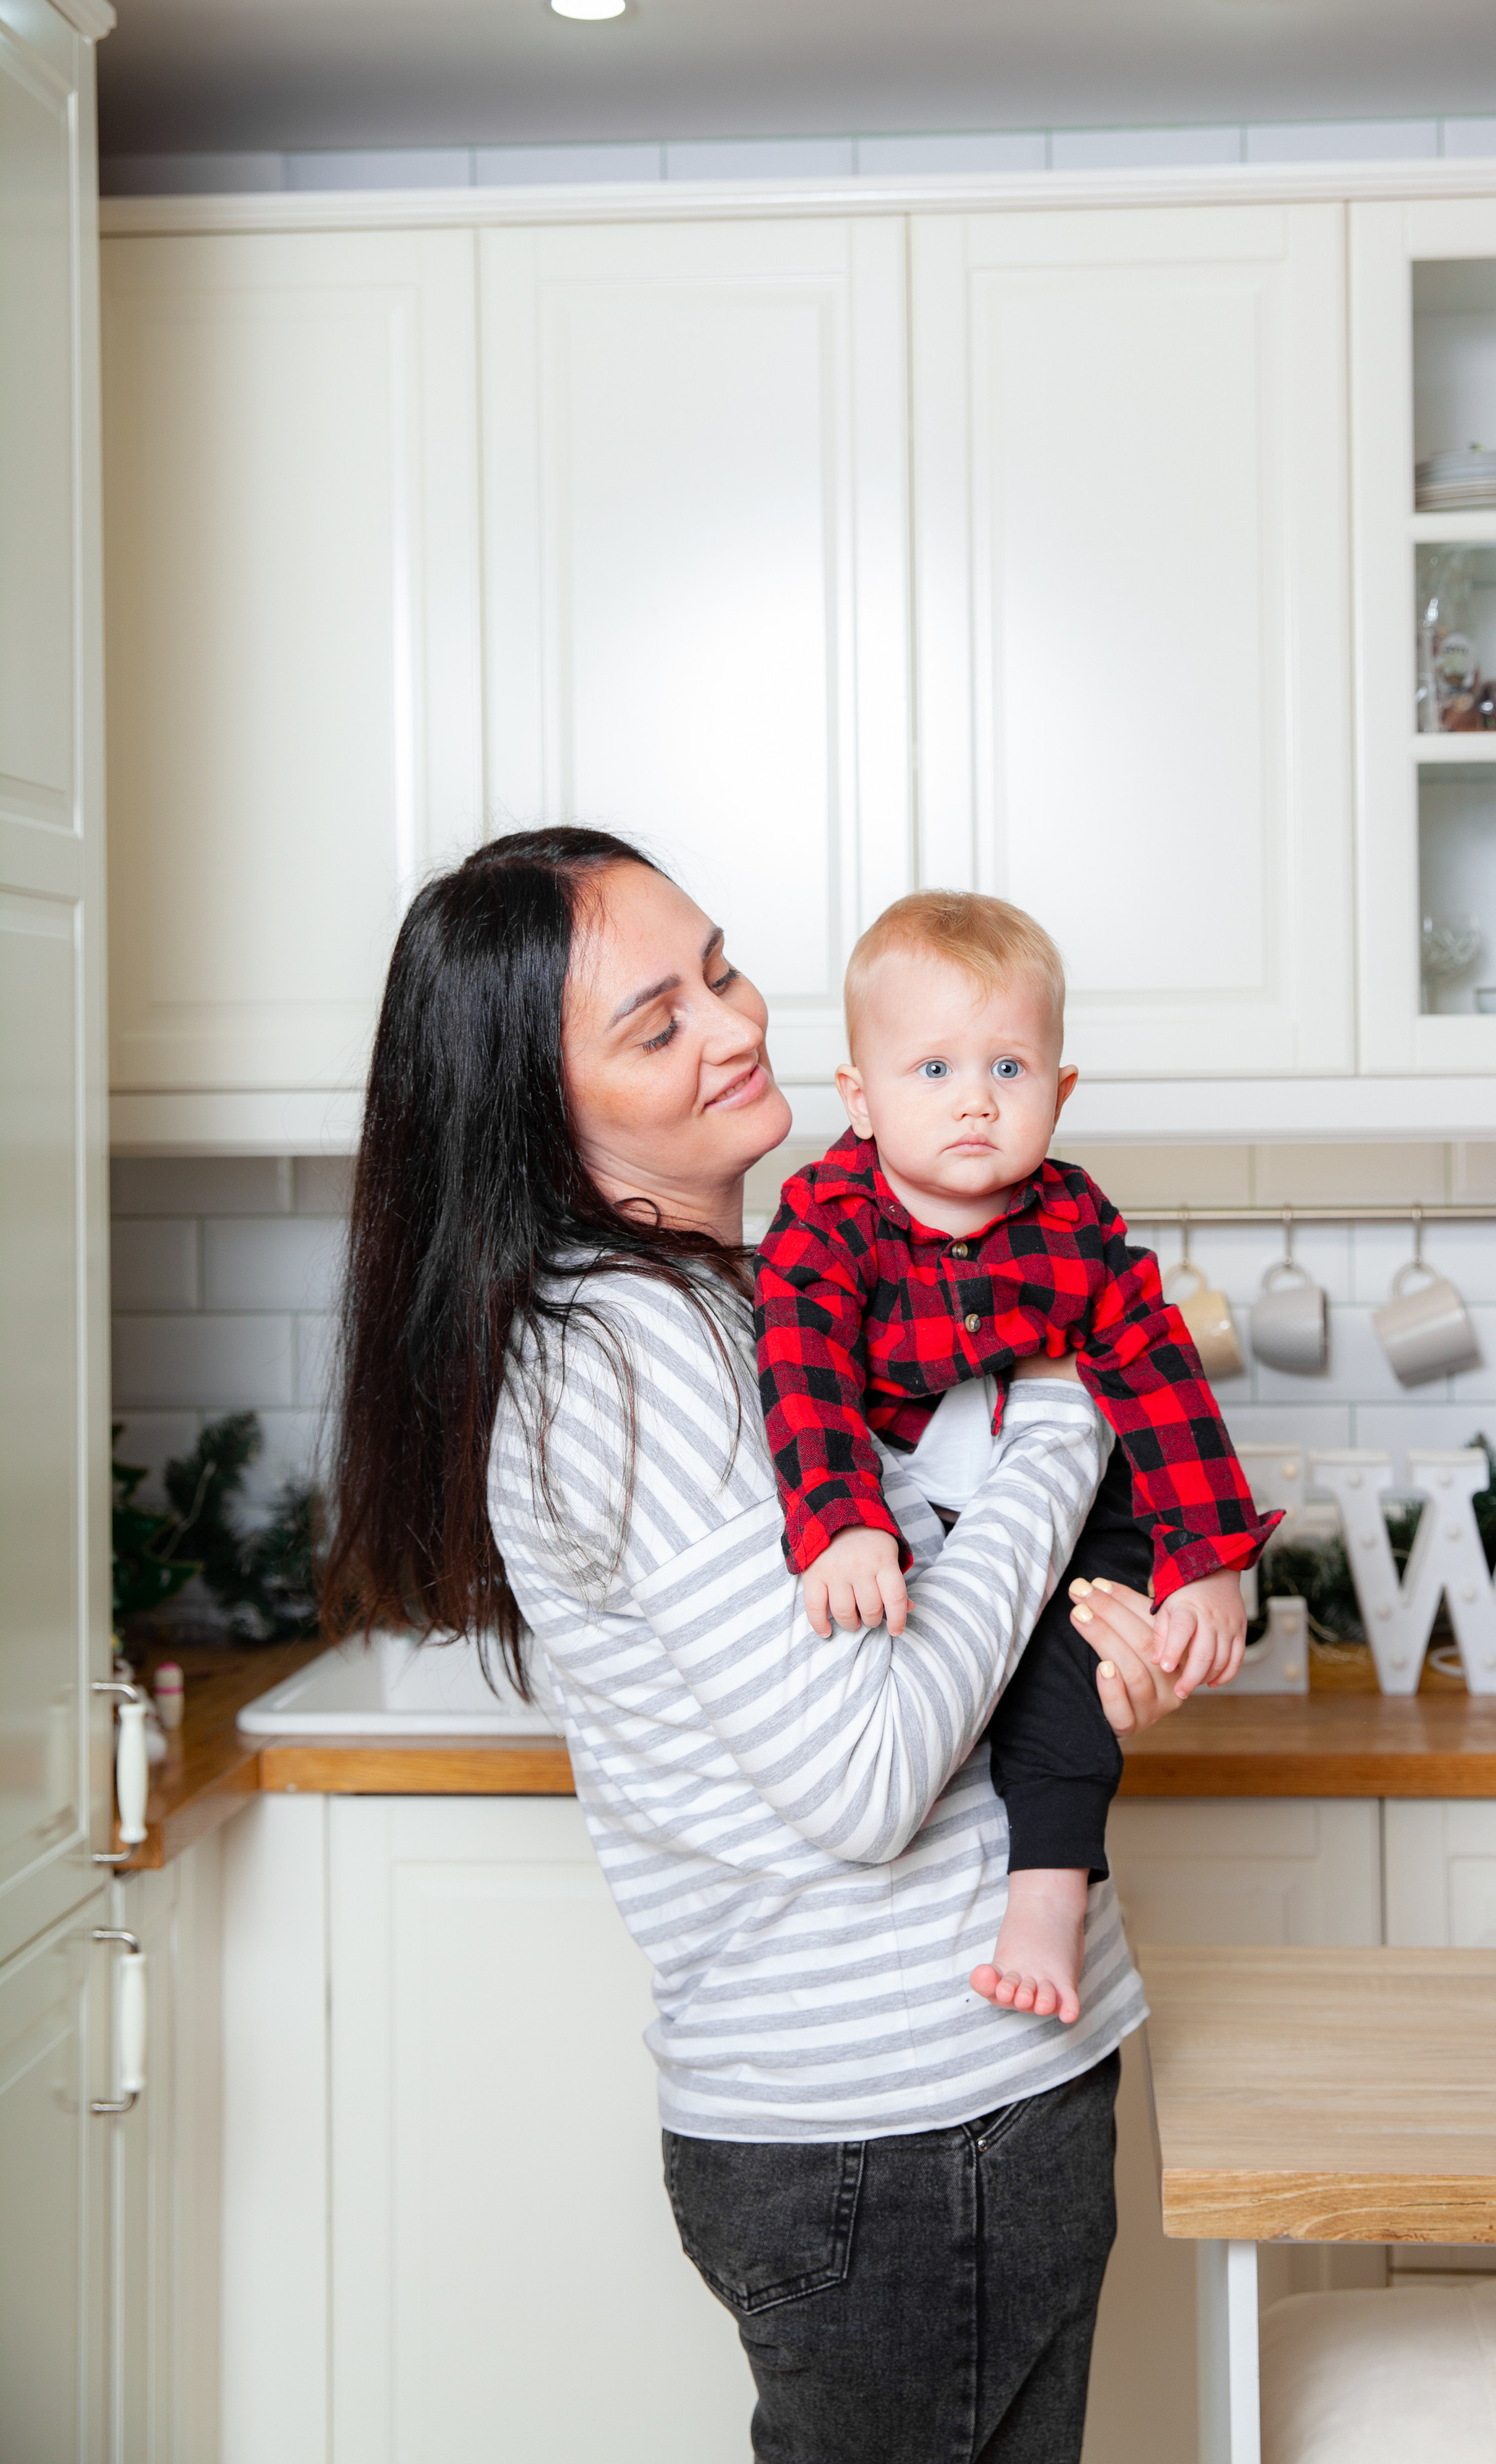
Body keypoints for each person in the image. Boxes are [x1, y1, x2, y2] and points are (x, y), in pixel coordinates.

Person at [321, 826, 1200, 2464]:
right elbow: (863, 1775)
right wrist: (1074, 1412)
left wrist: (1088, 1642)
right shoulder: (636, 1346)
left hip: (927, 2111)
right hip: (901, 2120)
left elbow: (931, 1645)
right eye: (658, 1024)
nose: (734, 1026)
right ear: (537, 1108)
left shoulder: (740, 1299)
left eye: (720, 970)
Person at [755, 890, 1280, 2029]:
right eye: (933, 1070)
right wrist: (842, 1521)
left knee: (1073, 1668)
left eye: (1009, 1068)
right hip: (913, 1507)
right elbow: (802, 1370)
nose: (976, 1102)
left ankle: (1048, 1893)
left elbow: (1160, 1373)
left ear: (1061, 1090)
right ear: (859, 1097)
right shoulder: (825, 1222)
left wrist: (1207, 1560)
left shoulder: (1075, 1221)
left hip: (1068, 1510)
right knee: (918, 1654)